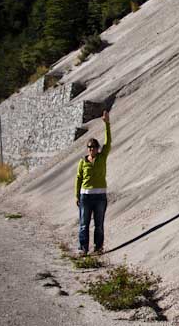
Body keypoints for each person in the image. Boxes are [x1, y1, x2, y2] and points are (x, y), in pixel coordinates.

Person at [75, 110, 111, 256]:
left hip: (100, 196)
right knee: (84, 224)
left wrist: (107, 124)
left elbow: (108, 142)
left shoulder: (102, 157)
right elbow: (78, 178)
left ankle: (98, 248)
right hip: (85, 197)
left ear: (98, 148)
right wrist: (77, 195)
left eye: (94, 147)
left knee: (99, 225)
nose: (91, 149)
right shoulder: (82, 162)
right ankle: (83, 249)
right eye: (89, 147)